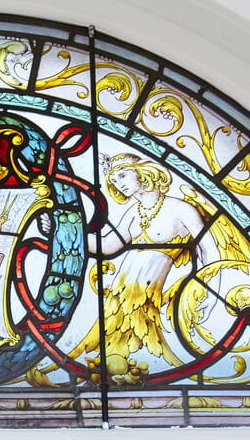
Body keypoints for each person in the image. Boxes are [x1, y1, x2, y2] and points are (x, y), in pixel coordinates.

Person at [75, 153, 210, 370]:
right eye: (113, 180)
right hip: (119, 295)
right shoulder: (133, 213)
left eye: (122, 175)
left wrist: (206, 290)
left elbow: (208, 250)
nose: (118, 184)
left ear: (143, 171)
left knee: (155, 351)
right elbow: (107, 245)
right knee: (103, 347)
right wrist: (67, 231)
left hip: (149, 297)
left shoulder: (180, 209)